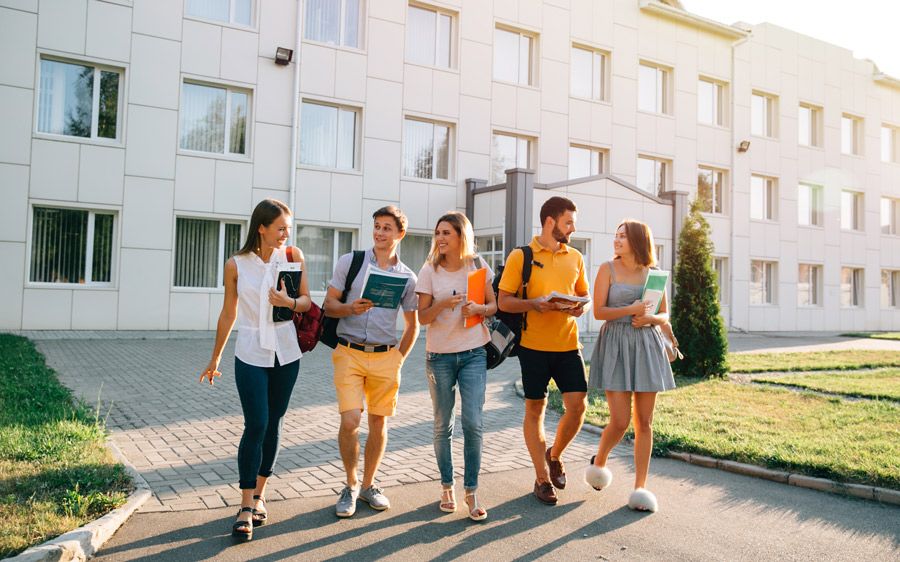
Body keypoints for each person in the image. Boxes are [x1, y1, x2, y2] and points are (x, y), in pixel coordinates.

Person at [200, 198, 311, 541]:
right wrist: (215, 356)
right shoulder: (236, 265)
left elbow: (307, 301)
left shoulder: (293, 257)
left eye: (288, 229)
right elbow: (228, 313)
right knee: (256, 423)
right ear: (261, 227)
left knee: (274, 423)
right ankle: (245, 505)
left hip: (286, 351)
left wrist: (288, 303)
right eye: (280, 228)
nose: (285, 234)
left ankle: (261, 494)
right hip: (249, 350)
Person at [324, 206, 419, 518]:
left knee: (379, 422)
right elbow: (328, 305)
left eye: (387, 228)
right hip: (348, 352)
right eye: (377, 226)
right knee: (350, 420)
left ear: (399, 234)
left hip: (385, 357)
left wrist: (398, 360)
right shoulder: (350, 262)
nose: (380, 233)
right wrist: (351, 309)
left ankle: (368, 486)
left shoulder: (407, 277)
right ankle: (350, 485)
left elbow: (413, 325)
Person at [497, 196, 591, 506]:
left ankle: (555, 455)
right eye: (569, 222)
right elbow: (504, 301)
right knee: (535, 410)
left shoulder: (575, 257)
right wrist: (533, 304)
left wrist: (578, 308)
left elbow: (582, 294)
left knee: (578, 407)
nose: (573, 228)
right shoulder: (520, 257)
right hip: (532, 347)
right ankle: (541, 477)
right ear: (550, 222)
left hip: (568, 344)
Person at [584, 219, 676, 513]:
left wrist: (650, 319)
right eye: (616, 236)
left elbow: (664, 314)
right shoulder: (606, 269)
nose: (616, 240)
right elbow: (599, 312)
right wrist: (632, 310)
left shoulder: (654, 274)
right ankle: (599, 461)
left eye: (622, 236)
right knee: (621, 420)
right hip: (616, 344)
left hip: (647, 346)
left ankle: (640, 487)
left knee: (645, 423)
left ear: (637, 241)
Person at [416, 211, 497, 521]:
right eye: (438, 233)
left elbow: (494, 305)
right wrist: (443, 305)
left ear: (461, 236)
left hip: (474, 352)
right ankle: (447, 485)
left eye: (446, 233)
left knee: (473, 422)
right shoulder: (429, 271)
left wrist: (479, 308)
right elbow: (421, 317)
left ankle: (472, 490)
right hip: (439, 356)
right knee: (442, 424)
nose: (440, 238)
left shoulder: (477, 266)